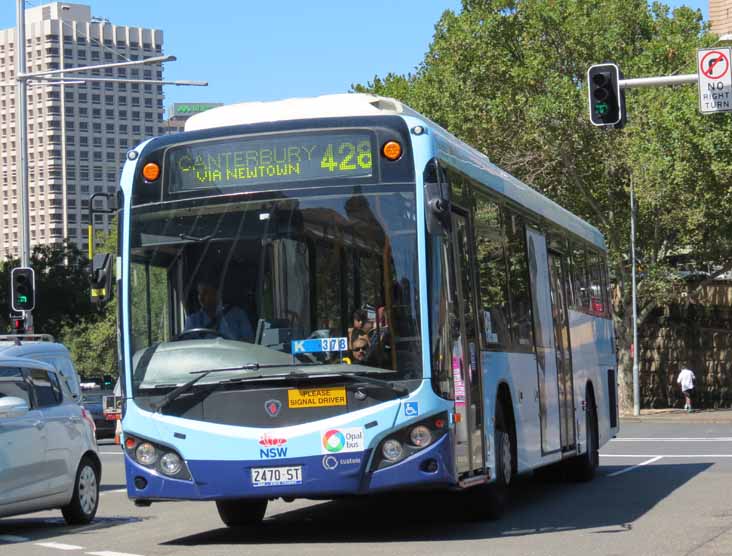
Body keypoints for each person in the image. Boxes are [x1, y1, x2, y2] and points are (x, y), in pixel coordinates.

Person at [184, 280, 254, 342]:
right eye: (199, 293)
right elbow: (187, 347)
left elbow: (249, 342)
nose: (201, 297)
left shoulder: (238, 315)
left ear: (216, 293)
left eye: (205, 292)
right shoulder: (192, 321)